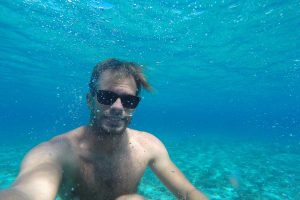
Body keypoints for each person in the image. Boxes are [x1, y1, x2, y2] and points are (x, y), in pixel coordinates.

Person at [0, 58, 208, 200]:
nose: (117, 107)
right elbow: (25, 192)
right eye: (106, 97)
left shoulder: (148, 145)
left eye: (128, 100)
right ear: (90, 100)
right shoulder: (58, 151)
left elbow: (188, 192)